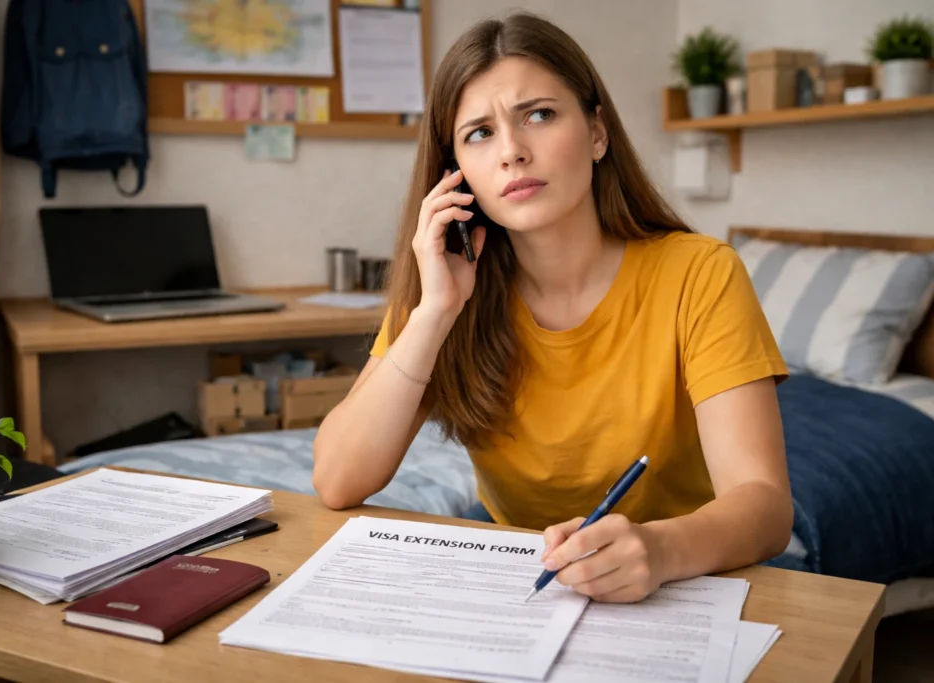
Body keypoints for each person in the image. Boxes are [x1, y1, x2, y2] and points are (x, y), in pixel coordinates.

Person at [312, 11, 793, 604]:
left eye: (538, 115)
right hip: (519, 575)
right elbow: (337, 481)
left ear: (597, 133)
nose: (512, 152)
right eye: (479, 133)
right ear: (456, 174)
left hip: (681, 573)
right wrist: (435, 311)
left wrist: (660, 549)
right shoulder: (446, 292)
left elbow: (766, 508)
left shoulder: (700, 272)